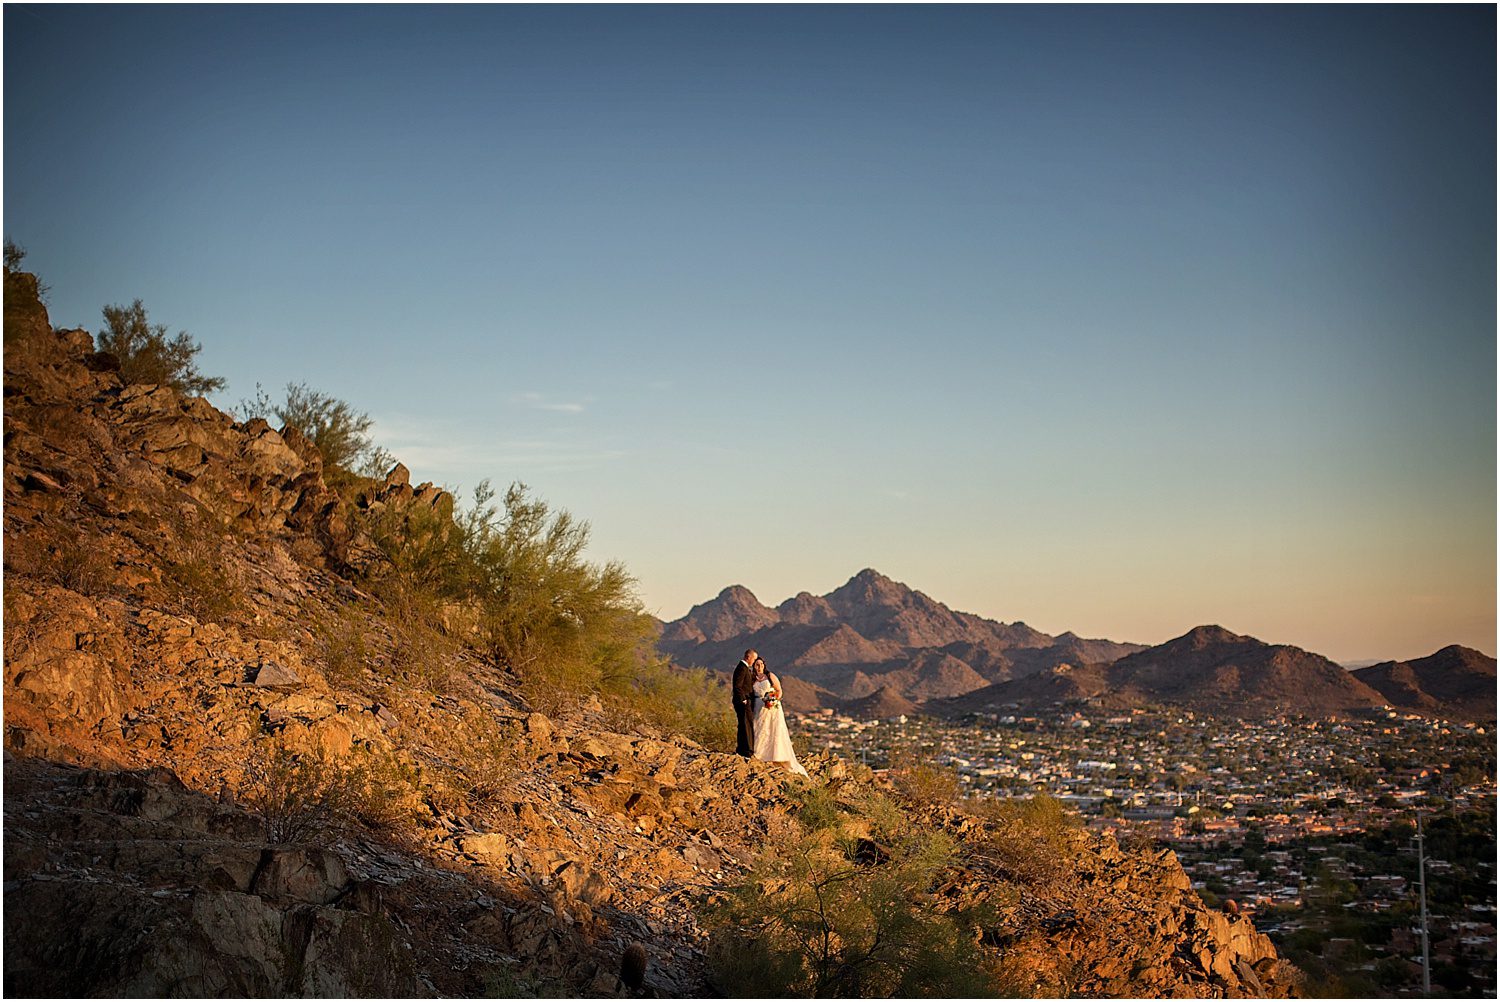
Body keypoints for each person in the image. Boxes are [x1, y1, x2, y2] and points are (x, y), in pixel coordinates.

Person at [750, 657, 808, 776]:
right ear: (754, 665)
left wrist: (774, 699)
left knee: (773, 729)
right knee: (759, 728)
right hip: (758, 705)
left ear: (764, 665)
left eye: (761, 664)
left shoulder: (770, 676)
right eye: (757, 664)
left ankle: (776, 755)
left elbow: (779, 690)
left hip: (772, 707)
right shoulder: (751, 678)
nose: (759, 666)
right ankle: (760, 753)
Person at [731, 648, 758, 757]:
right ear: (748, 657)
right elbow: (737, 686)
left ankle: (742, 749)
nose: (754, 662)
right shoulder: (742, 668)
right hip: (743, 702)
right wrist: (743, 699)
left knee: (744, 725)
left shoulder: (745, 668)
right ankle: (747, 750)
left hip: (745, 701)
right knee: (746, 724)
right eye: (754, 659)